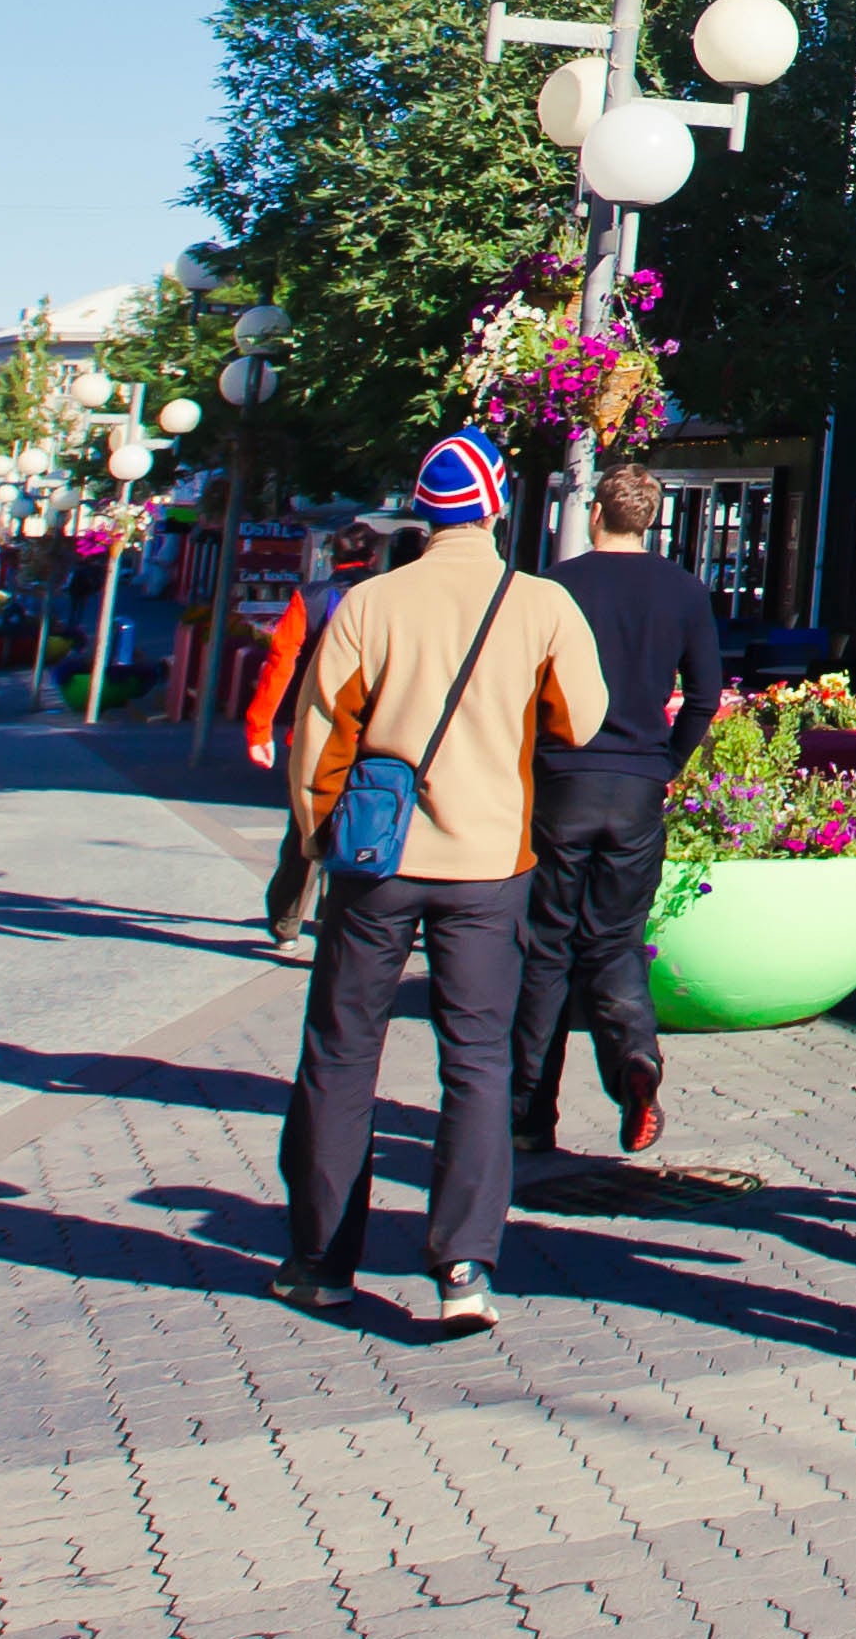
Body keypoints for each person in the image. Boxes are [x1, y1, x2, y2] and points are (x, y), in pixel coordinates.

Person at [271, 436, 608, 1333]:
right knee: (476, 1061)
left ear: (423, 513)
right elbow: (583, 718)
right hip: (489, 863)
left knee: (342, 1056)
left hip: (377, 866)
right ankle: (463, 1262)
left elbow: (316, 740)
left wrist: (316, 841)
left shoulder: (368, 603)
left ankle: (319, 1261)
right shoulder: (539, 603)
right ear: (496, 508)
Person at [510, 461, 724, 1160]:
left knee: (544, 949)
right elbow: (703, 695)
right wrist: (666, 763)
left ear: (596, 513)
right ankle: (635, 1055)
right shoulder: (684, 592)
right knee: (615, 941)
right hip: (637, 785)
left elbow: (523, 685)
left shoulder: (555, 587)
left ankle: (528, 1114)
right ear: (652, 521)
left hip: (562, 779)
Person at [243, 534, 350, 949]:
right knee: (356, 820)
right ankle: (332, 917)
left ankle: (286, 921)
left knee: (304, 824)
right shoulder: (385, 595)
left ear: (332, 557)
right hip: (366, 731)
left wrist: (260, 727)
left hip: (312, 729)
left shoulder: (311, 597)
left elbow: (280, 662)